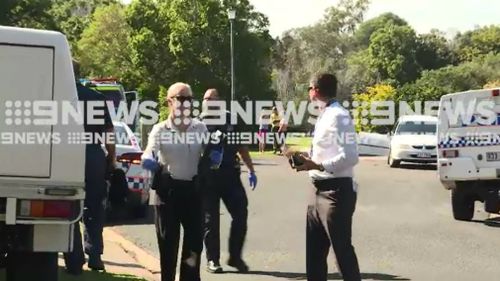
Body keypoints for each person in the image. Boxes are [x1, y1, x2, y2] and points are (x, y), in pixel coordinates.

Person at [289, 73, 361, 281]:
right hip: (316, 188)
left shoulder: (339, 116)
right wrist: (307, 159)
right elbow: (328, 151)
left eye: (309, 88)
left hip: (335, 192)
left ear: (316, 90)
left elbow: (350, 156)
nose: (309, 93)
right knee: (314, 253)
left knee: (341, 252)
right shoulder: (324, 114)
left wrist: (318, 164)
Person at [141, 83, 207, 281]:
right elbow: (149, 151)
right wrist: (149, 160)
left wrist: (215, 158)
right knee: (168, 246)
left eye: (189, 99)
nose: (186, 103)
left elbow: (211, 154)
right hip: (168, 194)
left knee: (194, 247)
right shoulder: (160, 129)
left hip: (193, 193)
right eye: (181, 98)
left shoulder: (200, 128)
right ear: (170, 102)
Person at [65, 61, 116, 274]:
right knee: (94, 207)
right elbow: (109, 135)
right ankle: (94, 255)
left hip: (65, 154)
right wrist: (111, 159)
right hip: (93, 155)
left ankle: (74, 258)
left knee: (66, 204)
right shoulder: (97, 98)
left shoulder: (57, 97)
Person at [199, 89, 257, 274]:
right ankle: (212, 260)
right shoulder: (198, 122)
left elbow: (241, 146)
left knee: (241, 213)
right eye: (206, 99)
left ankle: (235, 256)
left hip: (230, 175)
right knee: (211, 220)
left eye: (212, 99)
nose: (208, 102)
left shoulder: (230, 119)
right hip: (208, 177)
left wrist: (251, 169)